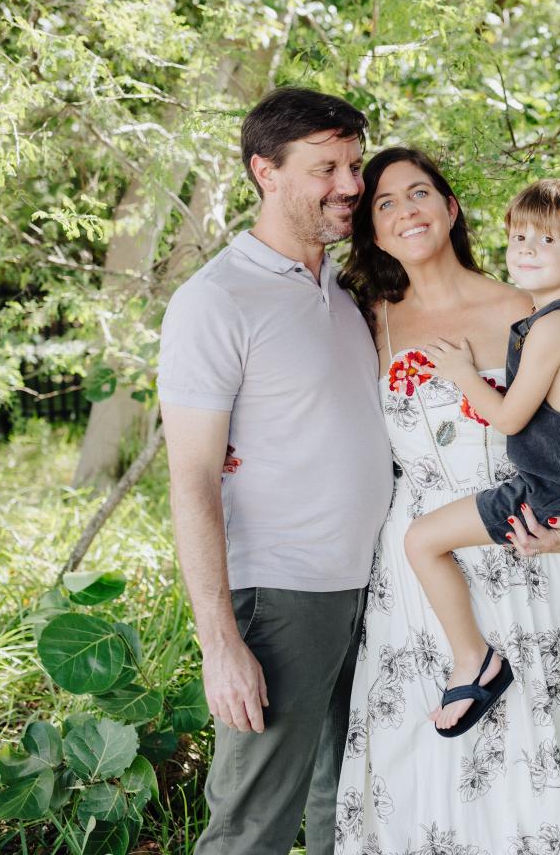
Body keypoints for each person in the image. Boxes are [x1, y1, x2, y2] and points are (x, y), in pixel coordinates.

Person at [334, 147, 560, 854]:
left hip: (531, 556)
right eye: (385, 203)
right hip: (420, 576)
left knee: (530, 776)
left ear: (451, 207)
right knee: (420, 770)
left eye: (419, 193)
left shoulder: (530, 306)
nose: (406, 211)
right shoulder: (364, 322)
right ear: (372, 231)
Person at [157, 88, 395, 852]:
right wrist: (219, 642)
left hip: (375, 589)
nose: (351, 185)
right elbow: (192, 477)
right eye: (326, 167)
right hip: (282, 599)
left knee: (347, 813)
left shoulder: (343, 291)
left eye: (354, 165)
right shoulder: (217, 301)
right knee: (253, 827)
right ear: (266, 171)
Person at [404, 178, 560, 735]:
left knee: (421, 540)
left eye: (546, 240)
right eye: (518, 236)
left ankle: (474, 661)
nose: (526, 249)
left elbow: (508, 418)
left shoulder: (556, 328)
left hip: (547, 493)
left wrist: (460, 374)